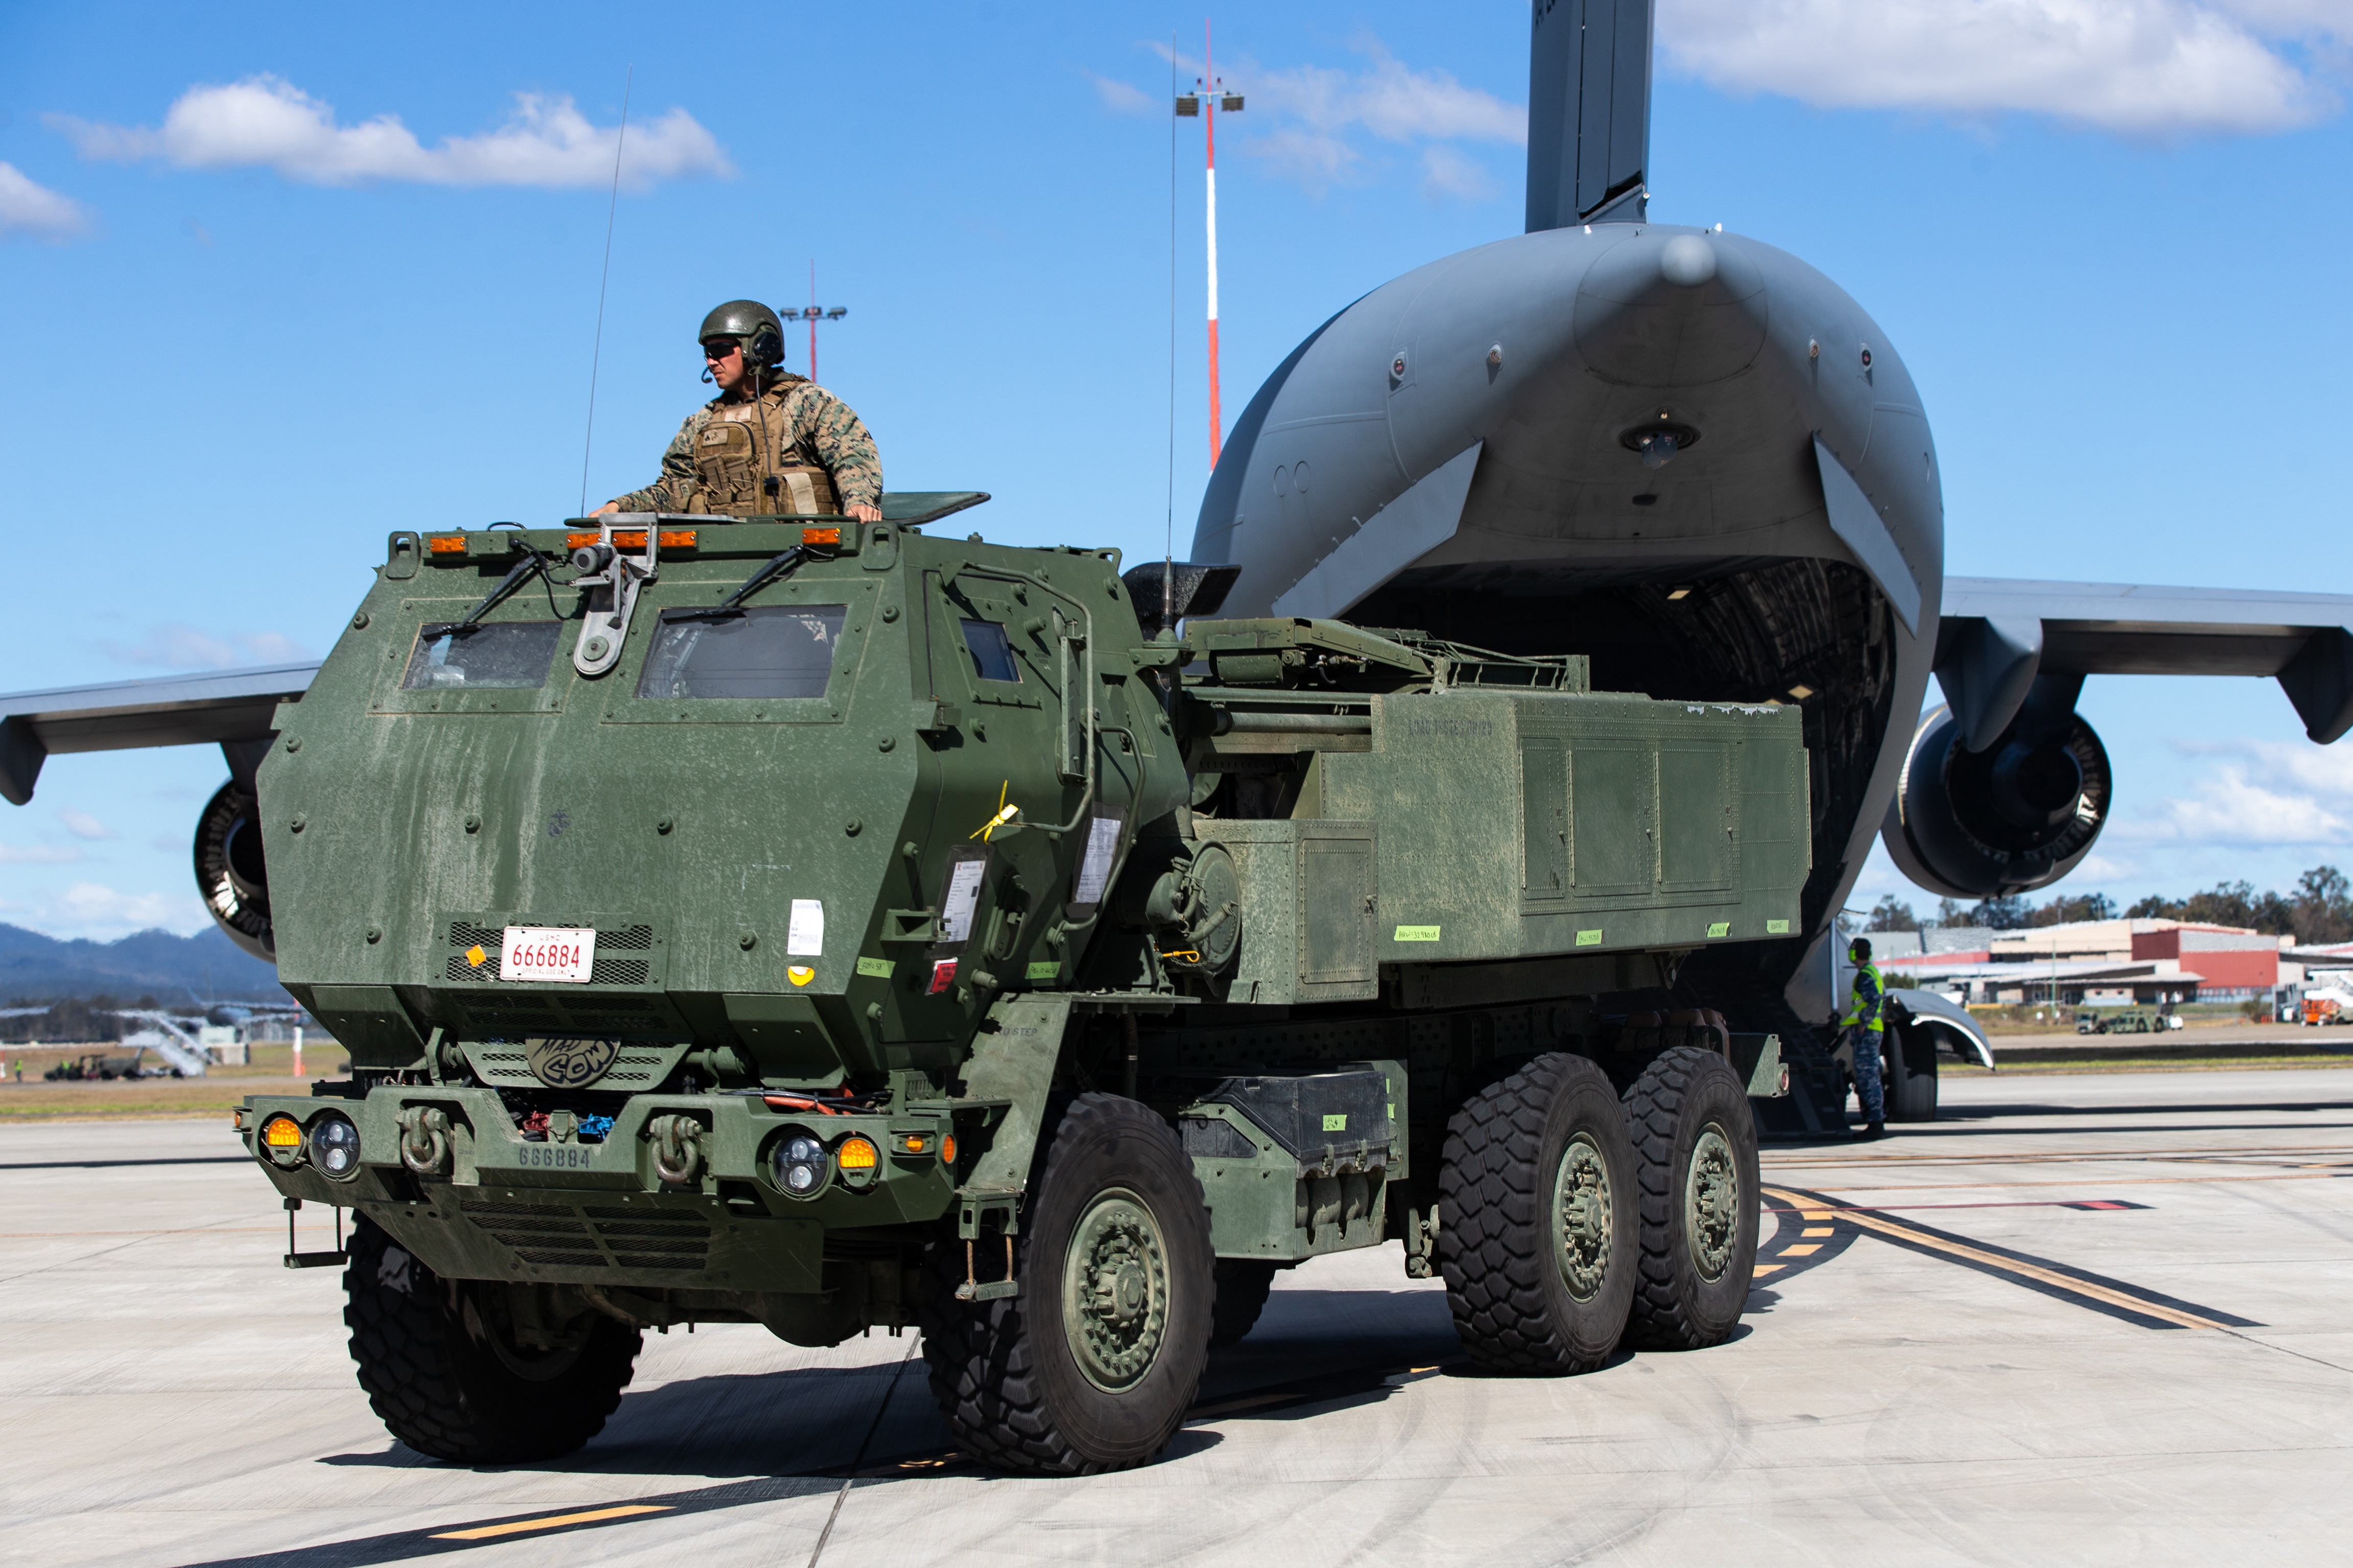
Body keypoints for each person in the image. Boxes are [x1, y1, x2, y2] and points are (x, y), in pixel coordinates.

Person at [596, 300, 884, 522]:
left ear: (757, 348)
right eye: (707, 354)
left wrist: (859, 501)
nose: (711, 361)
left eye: (720, 350)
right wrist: (619, 507)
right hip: (726, 558)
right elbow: (674, 488)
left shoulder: (807, 403)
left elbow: (853, 455)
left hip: (806, 553)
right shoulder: (703, 422)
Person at [1835, 934, 1887, 1140]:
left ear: (1854, 953)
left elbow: (1873, 999)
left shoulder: (1865, 975)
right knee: (1870, 1077)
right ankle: (1876, 1123)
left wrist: (1864, 1022)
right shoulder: (1871, 972)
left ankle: (1876, 1124)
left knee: (1868, 1079)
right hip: (1873, 1031)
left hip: (1868, 1032)